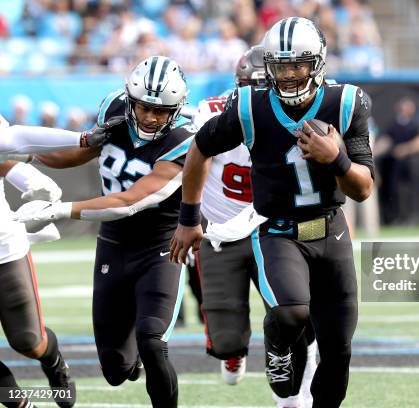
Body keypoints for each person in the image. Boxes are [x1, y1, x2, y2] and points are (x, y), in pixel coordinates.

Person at [170, 17, 374, 408]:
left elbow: (363, 188)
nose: (290, 75)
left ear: (317, 63)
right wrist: (189, 218)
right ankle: (277, 340)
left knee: (338, 348)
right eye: (281, 66)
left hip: (332, 230)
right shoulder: (250, 105)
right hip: (278, 231)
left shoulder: (345, 103)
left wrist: (338, 161)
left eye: (298, 65)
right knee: (292, 313)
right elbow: (200, 149)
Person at [16, 56, 197, 408]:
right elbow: (74, 154)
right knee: (116, 370)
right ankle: (131, 362)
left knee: (152, 340)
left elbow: (129, 201)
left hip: (160, 247)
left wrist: (60, 208)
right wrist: (26, 153)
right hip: (114, 245)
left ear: (176, 110)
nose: (151, 117)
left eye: (162, 111)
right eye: (145, 107)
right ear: (131, 99)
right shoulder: (114, 107)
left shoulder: (182, 140)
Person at [188, 45, 317, 408]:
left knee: (293, 315)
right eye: (253, 88)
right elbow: (191, 163)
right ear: (239, 87)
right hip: (222, 231)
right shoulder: (211, 111)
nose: (260, 96)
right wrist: (187, 219)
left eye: (266, 87)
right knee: (226, 337)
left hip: (275, 229)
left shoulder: (297, 114)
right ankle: (234, 349)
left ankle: (295, 398)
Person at [0, 114, 115, 408]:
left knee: (28, 340)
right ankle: (21, 405)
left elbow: (12, 142)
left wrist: (82, 139)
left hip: (3, 250)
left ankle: (54, 363)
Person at [375, 97, 419, 224]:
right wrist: (372, 152)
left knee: (413, 192)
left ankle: (414, 217)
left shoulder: (417, 123)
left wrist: (405, 149)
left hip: (413, 164)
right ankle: (398, 217)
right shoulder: (395, 124)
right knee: (397, 191)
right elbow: (387, 141)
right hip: (397, 166)